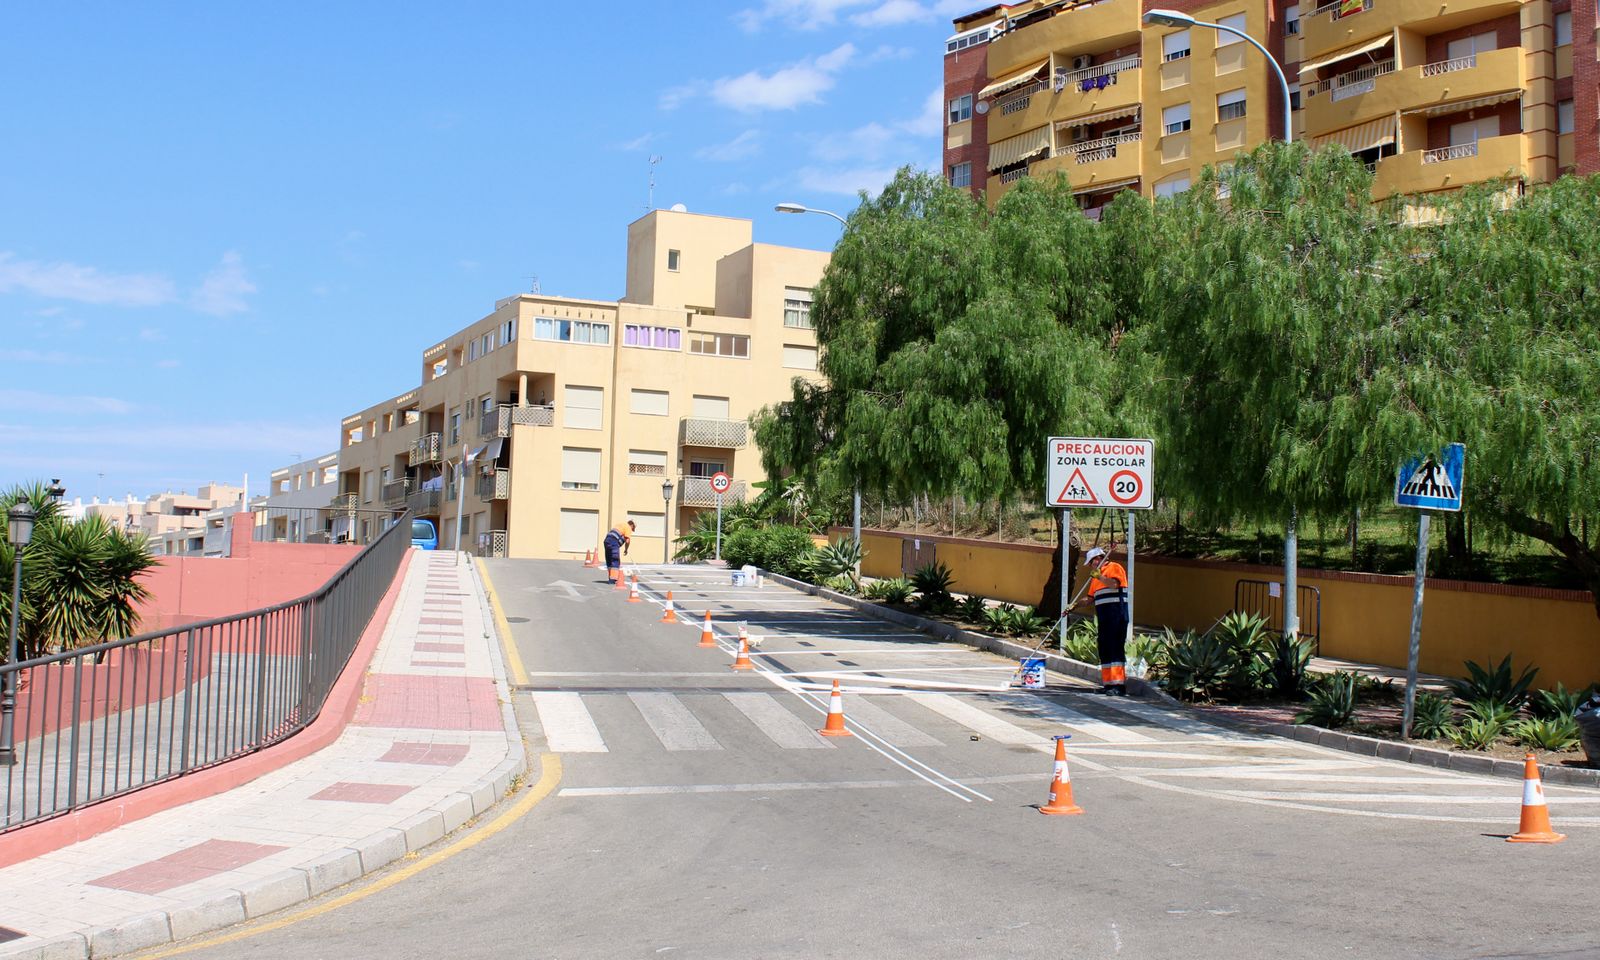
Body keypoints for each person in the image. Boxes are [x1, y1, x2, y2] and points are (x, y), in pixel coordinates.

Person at [1079, 546, 1130, 695]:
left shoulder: (1114, 567)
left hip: (1117, 614)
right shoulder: (1096, 578)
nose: (1089, 566)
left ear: (1098, 559)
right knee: (1105, 648)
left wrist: (1099, 576)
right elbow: (1089, 599)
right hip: (1104, 617)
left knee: (1115, 648)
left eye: (1090, 562)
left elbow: (1114, 584)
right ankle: (1108, 684)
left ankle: (1118, 685)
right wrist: (1074, 605)